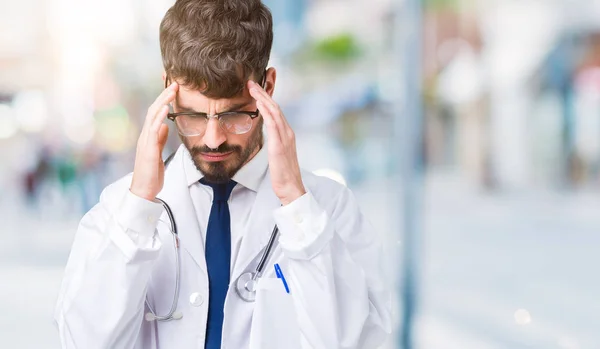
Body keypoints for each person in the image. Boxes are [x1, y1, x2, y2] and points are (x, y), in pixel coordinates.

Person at [54, 0, 392, 348]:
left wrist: (296, 204)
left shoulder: (328, 208)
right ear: (167, 89)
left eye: (234, 115)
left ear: (268, 87)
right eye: (193, 116)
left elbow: (356, 342)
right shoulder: (120, 209)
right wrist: (138, 209)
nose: (214, 139)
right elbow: (85, 342)